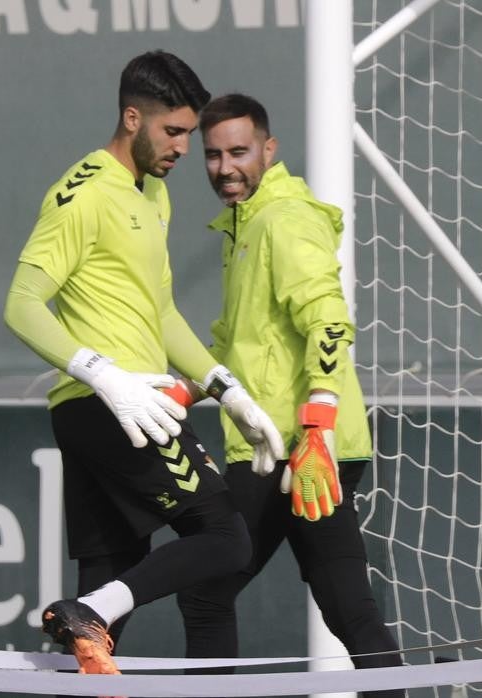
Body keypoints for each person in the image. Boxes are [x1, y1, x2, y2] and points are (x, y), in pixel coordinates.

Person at [3, 55, 284, 678]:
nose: (186, 148)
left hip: (121, 408)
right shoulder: (81, 193)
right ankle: (87, 611)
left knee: (107, 598)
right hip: (113, 408)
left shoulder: (153, 194)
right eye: (173, 132)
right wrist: (106, 377)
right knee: (224, 538)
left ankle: (91, 621)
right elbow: (21, 304)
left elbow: (159, 312)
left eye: (189, 133)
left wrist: (227, 389)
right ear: (133, 118)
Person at [170, 93, 405, 697]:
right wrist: (178, 392)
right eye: (214, 154)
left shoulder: (284, 219)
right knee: (348, 608)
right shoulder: (245, 227)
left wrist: (318, 431)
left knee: (206, 591)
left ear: (268, 150)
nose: (225, 167)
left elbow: (328, 322)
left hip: (293, 449)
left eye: (239, 152)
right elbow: (241, 351)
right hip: (298, 445)